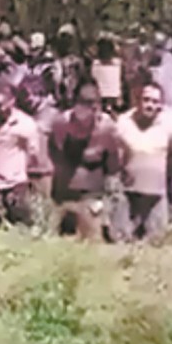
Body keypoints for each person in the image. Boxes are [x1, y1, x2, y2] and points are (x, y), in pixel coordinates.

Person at [49, 80, 121, 241]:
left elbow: (113, 169)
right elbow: (52, 157)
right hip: (64, 195)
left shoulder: (107, 129)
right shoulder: (61, 124)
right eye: (85, 103)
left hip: (92, 196)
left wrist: (107, 204)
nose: (91, 109)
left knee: (92, 240)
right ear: (75, 104)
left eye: (95, 104)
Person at [115, 82, 172, 242]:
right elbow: (116, 156)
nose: (150, 105)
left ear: (161, 104)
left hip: (157, 195)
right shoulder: (123, 122)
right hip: (129, 194)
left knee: (156, 242)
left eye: (155, 101)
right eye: (146, 100)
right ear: (138, 100)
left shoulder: (171, 125)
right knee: (122, 240)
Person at [0, 80, 40, 227]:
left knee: (20, 224)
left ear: (11, 101)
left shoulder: (25, 124)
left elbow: (33, 154)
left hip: (14, 184)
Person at [17, 74, 60, 199]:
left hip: (44, 174)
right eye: (24, 95)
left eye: (30, 95)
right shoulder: (21, 115)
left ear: (40, 94)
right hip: (24, 174)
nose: (27, 99)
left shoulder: (54, 116)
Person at [53, 23, 86, 109]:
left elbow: (82, 76)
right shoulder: (57, 62)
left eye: (68, 39)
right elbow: (57, 81)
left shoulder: (78, 61)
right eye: (63, 39)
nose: (66, 42)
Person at [91, 32, 123, 114]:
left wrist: (120, 96)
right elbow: (94, 80)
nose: (105, 50)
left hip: (114, 98)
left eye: (107, 47)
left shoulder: (117, 63)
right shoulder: (95, 64)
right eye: (103, 47)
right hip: (100, 98)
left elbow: (120, 81)